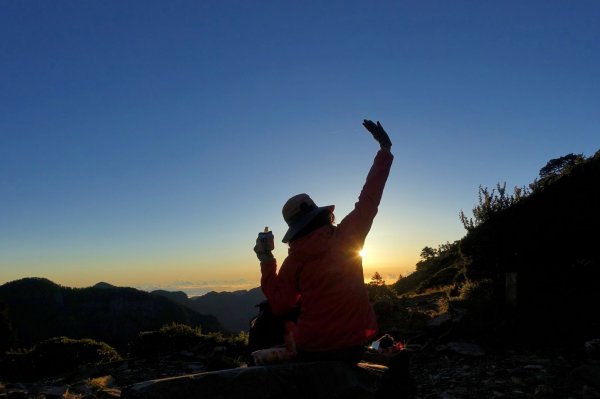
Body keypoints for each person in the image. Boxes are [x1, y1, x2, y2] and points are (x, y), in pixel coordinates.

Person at [253, 119, 394, 364]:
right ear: (320, 214)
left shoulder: (295, 261)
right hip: (356, 341)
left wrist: (266, 260)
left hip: (314, 348)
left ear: (293, 227)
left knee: (267, 318)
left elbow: (280, 304)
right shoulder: (349, 234)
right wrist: (384, 150)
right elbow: (369, 198)